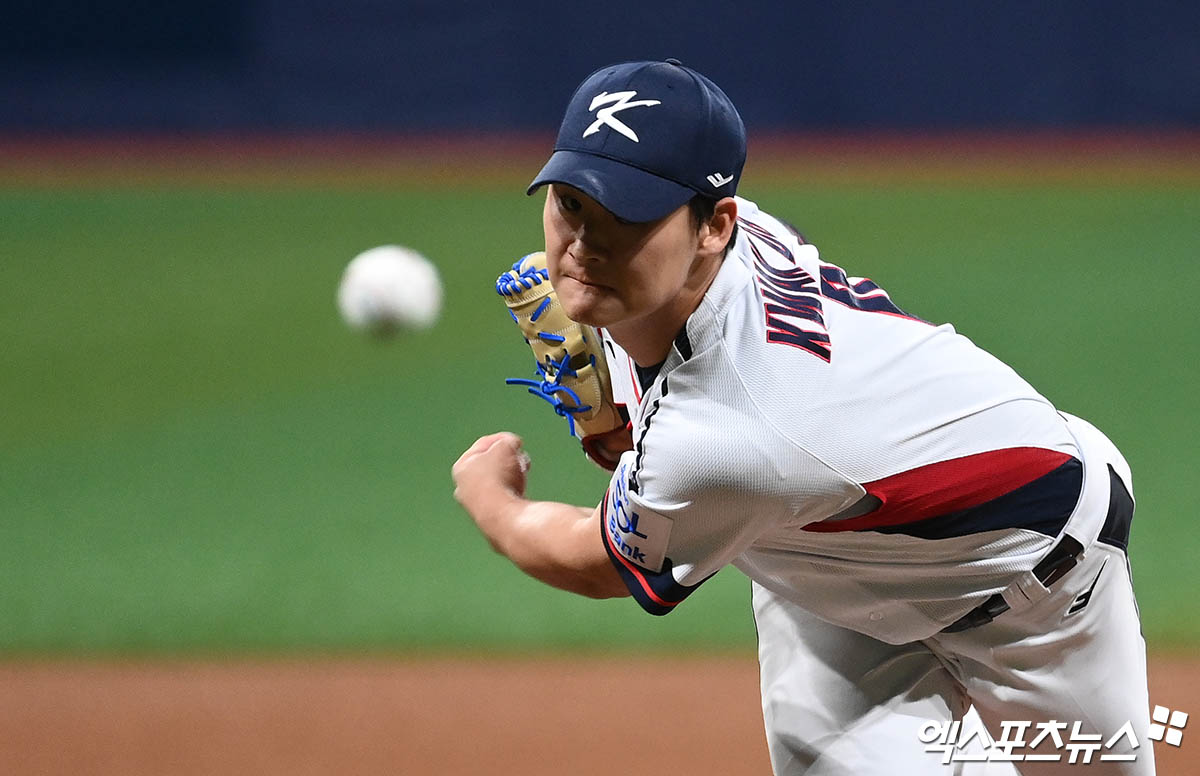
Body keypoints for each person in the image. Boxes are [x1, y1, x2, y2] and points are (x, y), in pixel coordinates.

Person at [451, 59, 1155, 775]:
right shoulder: (730, 241)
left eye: (624, 215)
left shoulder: (728, 432)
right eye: (571, 202)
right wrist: (618, 415)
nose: (583, 244)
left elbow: (598, 561)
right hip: (830, 559)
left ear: (714, 226)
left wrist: (494, 501)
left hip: (1037, 584)